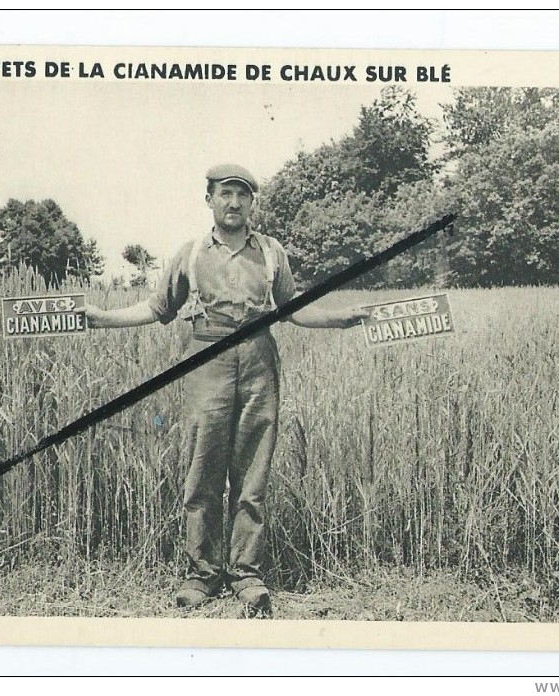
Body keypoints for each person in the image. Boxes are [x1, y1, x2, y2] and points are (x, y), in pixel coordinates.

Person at [86, 164, 369, 616]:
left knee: (252, 471)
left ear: (252, 203)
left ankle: (246, 573)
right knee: (203, 469)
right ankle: (202, 574)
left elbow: (295, 311)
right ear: (210, 200)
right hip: (207, 357)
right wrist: (101, 317)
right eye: (225, 194)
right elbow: (159, 308)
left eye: (242, 195)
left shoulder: (272, 253)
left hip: (259, 360)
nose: (233, 203)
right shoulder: (191, 253)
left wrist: (345, 317)